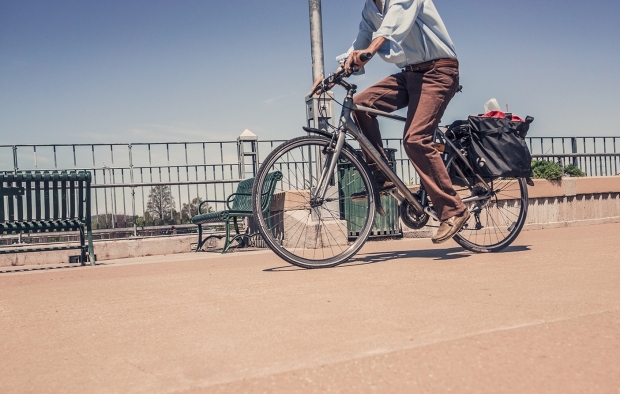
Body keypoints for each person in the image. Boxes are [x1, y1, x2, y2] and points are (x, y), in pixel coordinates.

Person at [339, 0, 469, 244]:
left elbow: (392, 26)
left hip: (439, 71)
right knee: (362, 104)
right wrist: (337, 70)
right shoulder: (370, 9)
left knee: (415, 139)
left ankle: (454, 210)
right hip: (411, 73)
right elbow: (362, 40)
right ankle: (381, 174)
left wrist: (371, 50)